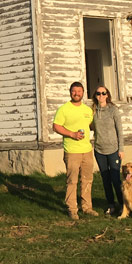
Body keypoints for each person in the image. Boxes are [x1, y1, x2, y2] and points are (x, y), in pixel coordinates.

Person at [53, 81, 97, 220]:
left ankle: (87, 207)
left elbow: (91, 125)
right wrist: (72, 134)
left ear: (83, 93)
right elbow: (56, 126)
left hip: (87, 150)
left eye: (79, 91)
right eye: (74, 91)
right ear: (70, 92)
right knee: (72, 180)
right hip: (72, 151)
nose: (76, 93)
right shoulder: (64, 109)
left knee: (87, 179)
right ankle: (72, 209)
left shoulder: (87, 110)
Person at [91, 85, 124, 216]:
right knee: (105, 179)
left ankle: (122, 204)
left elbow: (120, 131)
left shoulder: (113, 110)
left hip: (114, 149)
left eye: (103, 93)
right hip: (99, 150)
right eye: (98, 93)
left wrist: (121, 149)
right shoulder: (92, 111)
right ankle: (111, 204)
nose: (101, 96)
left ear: (107, 95)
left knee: (115, 178)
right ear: (95, 96)